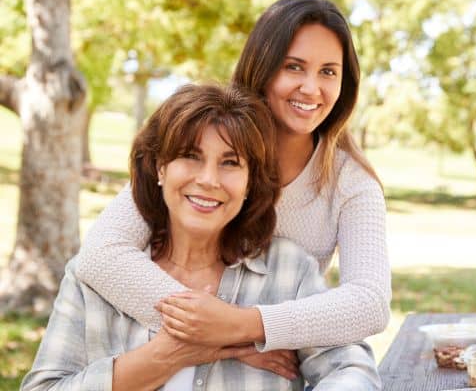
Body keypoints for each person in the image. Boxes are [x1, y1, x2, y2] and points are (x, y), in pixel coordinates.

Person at [75, 0, 391, 378]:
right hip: (153, 359)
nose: (311, 88)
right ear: (262, 67)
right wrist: (213, 338)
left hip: (265, 373)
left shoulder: (351, 183)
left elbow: (370, 302)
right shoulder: (204, 145)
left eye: (328, 71)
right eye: (294, 66)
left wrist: (245, 325)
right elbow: (100, 255)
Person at [21, 84, 381, 391]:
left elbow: (352, 371)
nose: (208, 179)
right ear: (161, 168)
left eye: (230, 163)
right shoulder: (94, 279)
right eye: (190, 157)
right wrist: (166, 356)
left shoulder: (288, 270)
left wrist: (240, 326)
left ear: (249, 183)